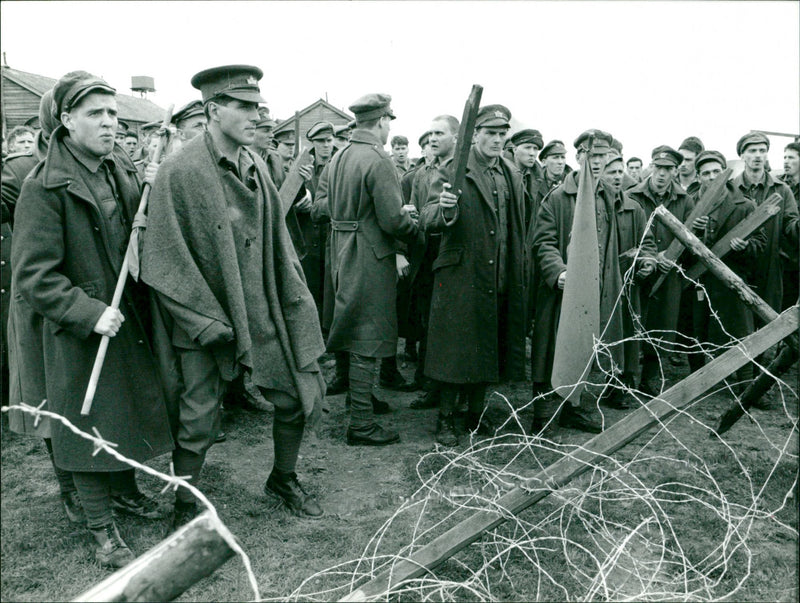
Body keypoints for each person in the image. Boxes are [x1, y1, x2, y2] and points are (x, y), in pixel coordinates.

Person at [141, 65, 327, 527]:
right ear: (213, 110)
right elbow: (163, 259)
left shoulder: (255, 165)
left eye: (258, 106)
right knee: (199, 419)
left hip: (260, 306)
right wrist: (203, 321)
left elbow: (274, 240)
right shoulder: (179, 170)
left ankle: (283, 477)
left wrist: (292, 297)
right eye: (244, 106)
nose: (256, 115)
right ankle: (186, 506)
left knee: (295, 392)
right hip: (205, 315)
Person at [11, 71, 174, 568]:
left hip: (121, 313)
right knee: (83, 426)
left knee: (119, 410)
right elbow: (34, 275)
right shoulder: (45, 186)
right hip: (75, 325)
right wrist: (87, 312)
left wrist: (152, 178)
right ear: (66, 120)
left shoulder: (115, 169)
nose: (108, 123)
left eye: (112, 114)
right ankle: (101, 528)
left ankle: (123, 494)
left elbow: (130, 227)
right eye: (95, 114)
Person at [314, 93, 418, 446]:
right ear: (383, 121)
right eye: (389, 121)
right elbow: (391, 219)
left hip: (342, 247)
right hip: (369, 252)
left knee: (354, 323)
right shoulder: (378, 159)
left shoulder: (341, 154)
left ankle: (362, 399)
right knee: (367, 332)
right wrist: (413, 226)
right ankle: (360, 423)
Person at [421, 105, 527, 446]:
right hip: (461, 273)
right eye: (490, 134)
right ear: (475, 135)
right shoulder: (455, 169)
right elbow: (426, 216)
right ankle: (447, 419)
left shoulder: (510, 172)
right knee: (455, 349)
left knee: (488, 343)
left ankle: (477, 414)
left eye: (502, 134)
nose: (497, 140)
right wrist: (445, 210)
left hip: (498, 273)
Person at [531, 130, 631, 434]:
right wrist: (558, 272)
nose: (597, 162)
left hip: (598, 289)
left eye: (603, 156)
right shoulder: (559, 198)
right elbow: (543, 242)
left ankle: (573, 408)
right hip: (562, 292)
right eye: (592, 155)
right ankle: (544, 412)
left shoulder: (608, 197)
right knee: (552, 348)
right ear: (579, 158)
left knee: (588, 346)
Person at [686, 150, 764, 383]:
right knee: (696, 331)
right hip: (698, 279)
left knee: (739, 330)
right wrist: (693, 231)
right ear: (698, 177)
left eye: (716, 171)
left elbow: (761, 243)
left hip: (732, 278)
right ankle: (698, 381)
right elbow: (678, 250)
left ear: (725, 174)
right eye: (706, 173)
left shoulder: (744, 205)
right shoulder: (689, 205)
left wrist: (745, 246)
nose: (712, 177)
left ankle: (745, 381)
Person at [627, 145, 694, 396]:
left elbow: (690, 239)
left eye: (668, 169)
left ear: (676, 171)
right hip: (637, 272)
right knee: (632, 323)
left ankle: (650, 378)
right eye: (658, 167)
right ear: (650, 166)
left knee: (662, 325)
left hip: (669, 275)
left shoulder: (685, 200)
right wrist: (653, 257)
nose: (662, 174)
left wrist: (673, 258)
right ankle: (625, 380)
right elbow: (626, 234)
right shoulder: (632, 195)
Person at [408, 115, 458, 411]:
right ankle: (430, 384)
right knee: (430, 321)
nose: (432, 141)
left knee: (449, 325)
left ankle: (446, 390)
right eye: (429, 137)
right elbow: (420, 210)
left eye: (439, 134)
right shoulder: (423, 174)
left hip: (453, 257)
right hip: (429, 254)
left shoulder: (460, 168)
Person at [732, 132, 798, 316]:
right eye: (752, 151)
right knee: (739, 323)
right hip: (737, 268)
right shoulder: (730, 189)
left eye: (762, 150)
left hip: (770, 268)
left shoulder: (781, 190)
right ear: (742, 155)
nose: (758, 155)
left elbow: (790, 225)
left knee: (769, 322)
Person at [779, 142, 799, 308]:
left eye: (791, 157)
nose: (786, 161)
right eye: (784, 157)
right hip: (780, 257)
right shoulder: (779, 185)